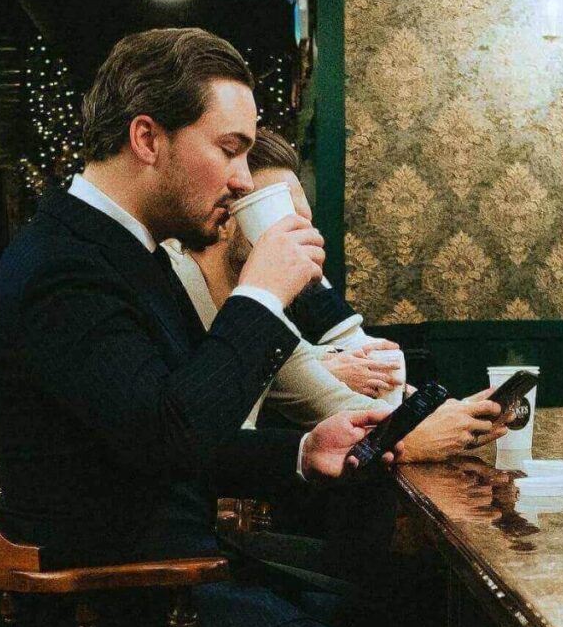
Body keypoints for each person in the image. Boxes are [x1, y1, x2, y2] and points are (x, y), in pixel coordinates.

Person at [0, 28, 454, 627]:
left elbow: (159, 428)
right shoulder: (63, 267)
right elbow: (167, 434)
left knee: (407, 598)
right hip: (118, 616)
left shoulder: (128, 252)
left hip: (171, 581)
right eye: (229, 149)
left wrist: (303, 452)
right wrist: (260, 295)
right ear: (147, 138)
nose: (243, 179)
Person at [165, 127, 509, 460]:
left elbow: (338, 403)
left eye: (306, 222)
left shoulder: (267, 315)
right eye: (286, 221)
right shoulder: (167, 286)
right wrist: (411, 437)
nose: (307, 237)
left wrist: (457, 416)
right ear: (227, 219)